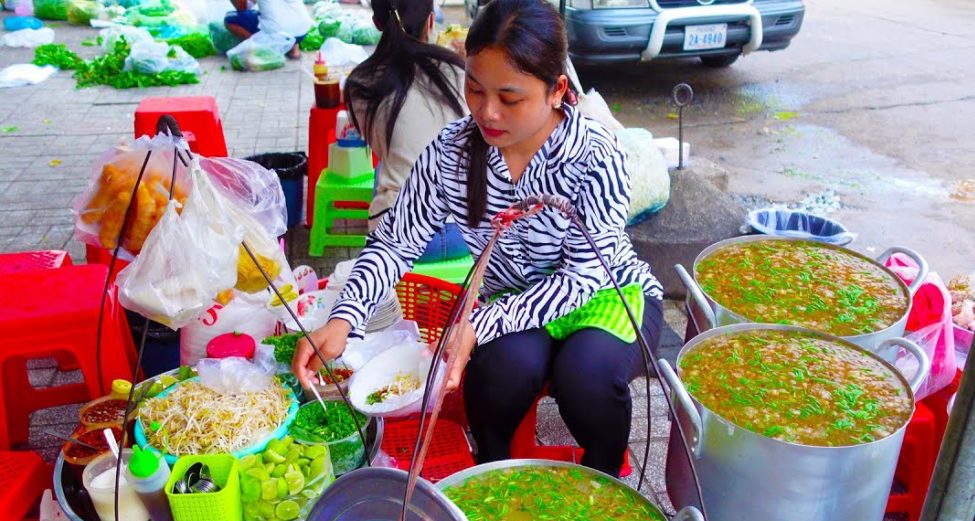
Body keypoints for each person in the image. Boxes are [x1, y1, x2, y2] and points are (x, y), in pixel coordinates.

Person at [293, 0, 663, 477]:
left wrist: (479, 325)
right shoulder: (453, 152)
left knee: (587, 378)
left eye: (510, 98)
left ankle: (606, 482)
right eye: (474, 88)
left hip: (605, 293)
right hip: (509, 297)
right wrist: (344, 320)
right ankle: (491, 478)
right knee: (494, 375)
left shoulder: (598, 155)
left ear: (557, 91)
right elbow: (394, 243)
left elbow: (582, 277)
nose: (487, 112)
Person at [343, 0, 469, 261]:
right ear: (431, 21)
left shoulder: (361, 83)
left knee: (384, 167)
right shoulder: (462, 70)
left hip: (402, 236)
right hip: (467, 233)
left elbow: (382, 146)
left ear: (378, 23)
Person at [224, 0, 312, 58]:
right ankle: (293, 51)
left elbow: (242, 7)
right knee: (283, 15)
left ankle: (262, 49)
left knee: (229, 20)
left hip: (278, 31)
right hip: (302, 30)